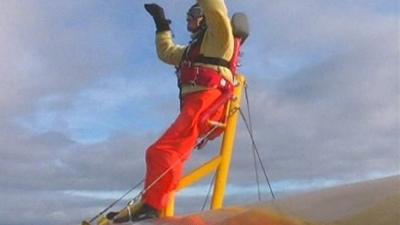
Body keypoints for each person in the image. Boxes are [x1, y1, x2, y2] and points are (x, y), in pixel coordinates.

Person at [108, 0, 234, 223]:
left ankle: (153, 205)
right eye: (187, 16)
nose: (188, 19)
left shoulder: (220, 39)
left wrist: (207, 7)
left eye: (193, 14)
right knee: (163, 153)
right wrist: (161, 24)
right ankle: (153, 202)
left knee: (162, 152)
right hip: (198, 105)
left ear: (205, 17)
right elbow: (167, 52)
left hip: (208, 103)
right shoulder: (192, 50)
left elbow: (216, 10)